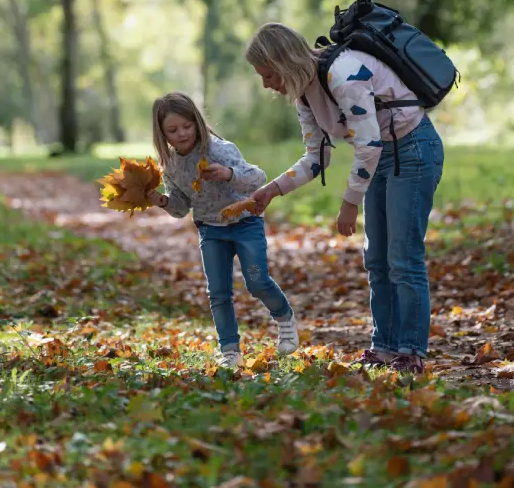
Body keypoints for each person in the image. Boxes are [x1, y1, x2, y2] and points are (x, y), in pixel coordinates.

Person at [246, 23, 443, 374]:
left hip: (413, 150)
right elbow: (315, 158)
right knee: (376, 259)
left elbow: (368, 144)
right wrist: (272, 190)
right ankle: (384, 347)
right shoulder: (305, 94)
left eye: (269, 74)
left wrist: (350, 202)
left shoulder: (344, 73)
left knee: (403, 256)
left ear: (286, 61)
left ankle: (411, 350)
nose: (266, 84)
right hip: (382, 156)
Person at [146, 91, 298, 367]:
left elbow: (257, 179)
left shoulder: (219, 149)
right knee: (218, 292)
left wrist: (229, 174)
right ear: (162, 134)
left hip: (245, 223)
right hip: (210, 230)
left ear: (197, 122)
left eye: (187, 126)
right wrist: (162, 201)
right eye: (172, 130)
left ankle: (285, 319)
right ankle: (230, 350)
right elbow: (180, 207)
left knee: (257, 282)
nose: (181, 134)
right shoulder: (170, 165)